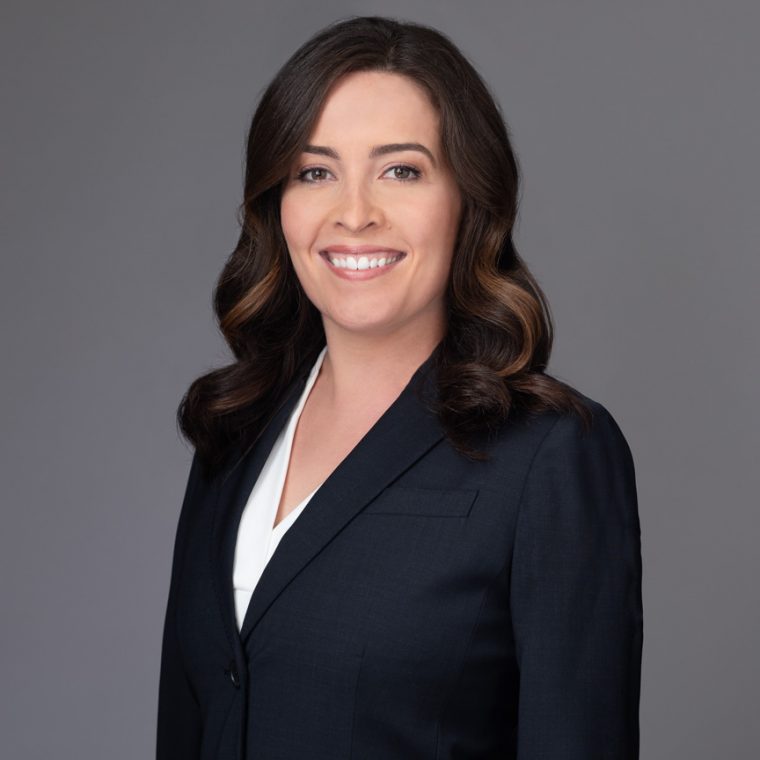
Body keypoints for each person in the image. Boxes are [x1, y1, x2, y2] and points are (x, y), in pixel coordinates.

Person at [156, 15, 643, 760]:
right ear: (276, 206)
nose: (353, 214)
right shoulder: (236, 428)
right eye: (314, 172)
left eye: (401, 170)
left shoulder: (549, 456)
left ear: (469, 201)